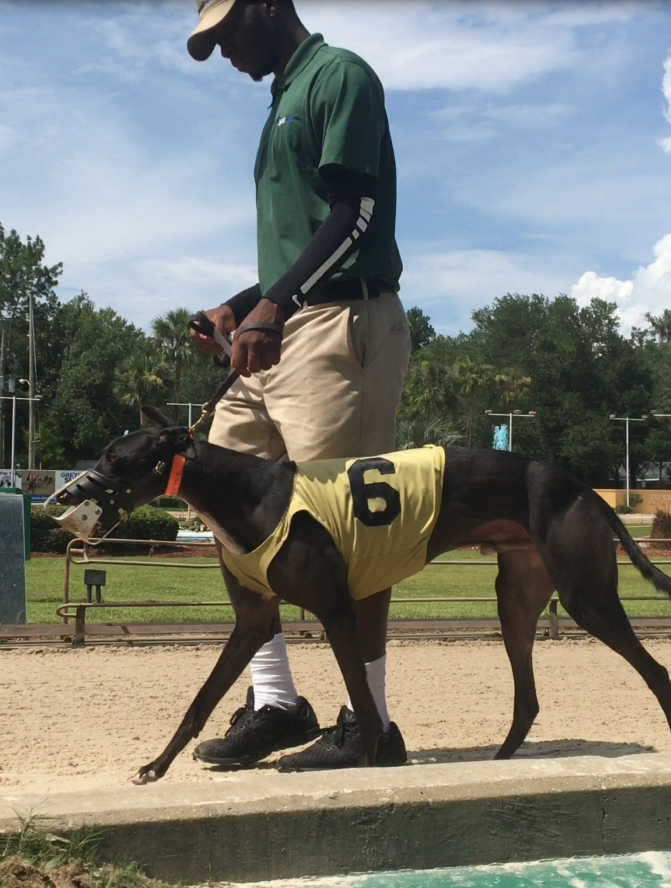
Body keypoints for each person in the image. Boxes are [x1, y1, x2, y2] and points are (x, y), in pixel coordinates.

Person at [184, 0, 411, 771]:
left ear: (268, 7)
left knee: (345, 530)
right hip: (283, 327)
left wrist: (274, 305)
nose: (222, 54)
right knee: (219, 499)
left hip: (340, 326)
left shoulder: (338, 75)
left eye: (226, 34)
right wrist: (245, 303)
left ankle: (369, 721)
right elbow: (305, 237)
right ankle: (277, 702)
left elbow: (355, 215)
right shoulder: (283, 97)